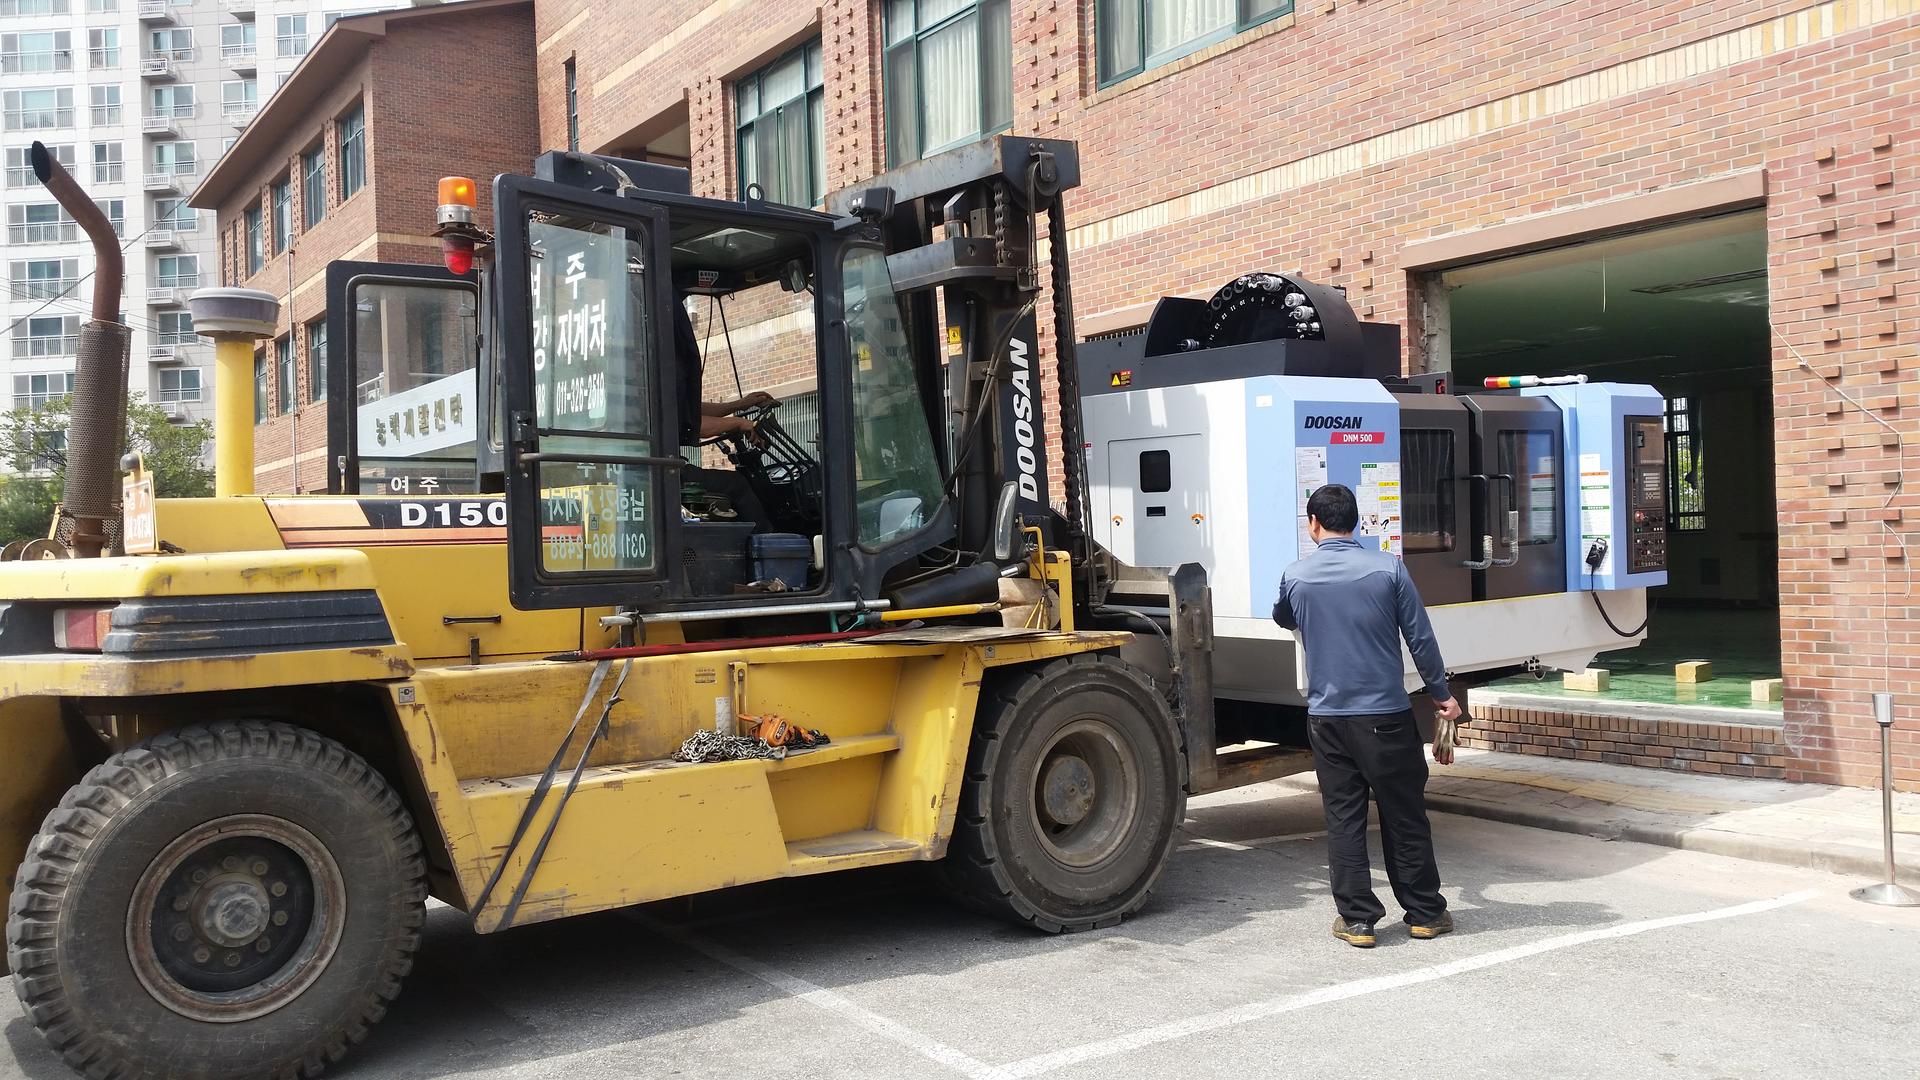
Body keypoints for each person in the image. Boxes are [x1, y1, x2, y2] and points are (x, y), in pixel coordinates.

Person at [1273, 483, 1463, 949]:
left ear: (1313, 524)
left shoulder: (1296, 576)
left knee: (1344, 818)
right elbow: (1420, 638)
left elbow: (1283, 617)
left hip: (1327, 719)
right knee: (1404, 815)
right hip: (1386, 717)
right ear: (1356, 522)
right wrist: (1442, 696)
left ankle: (1357, 920)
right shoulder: (1388, 569)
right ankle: (1425, 914)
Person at [670, 293, 777, 534]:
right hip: (670, 474)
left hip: (671, 470)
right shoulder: (662, 374)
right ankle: (768, 543)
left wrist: (739, 405)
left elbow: (691, 409)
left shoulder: (661, 378)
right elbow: (694, 425)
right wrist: (738, 423)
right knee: (736, 484)